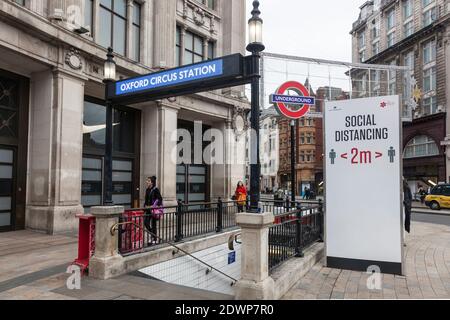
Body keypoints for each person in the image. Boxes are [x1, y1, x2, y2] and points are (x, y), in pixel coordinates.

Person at [144, 176, 163, 245]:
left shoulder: (155, 189)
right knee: (146, 223)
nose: (147, 182)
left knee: (154, 224)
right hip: (148, 210)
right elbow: (146, 200)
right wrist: (144, 208)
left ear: (152, 182)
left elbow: (160, 199)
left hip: (154, 210)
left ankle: (154, 239)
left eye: (148, 181)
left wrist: (153, 206)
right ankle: (154, 235)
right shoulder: (147, 190)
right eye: (147, 180)